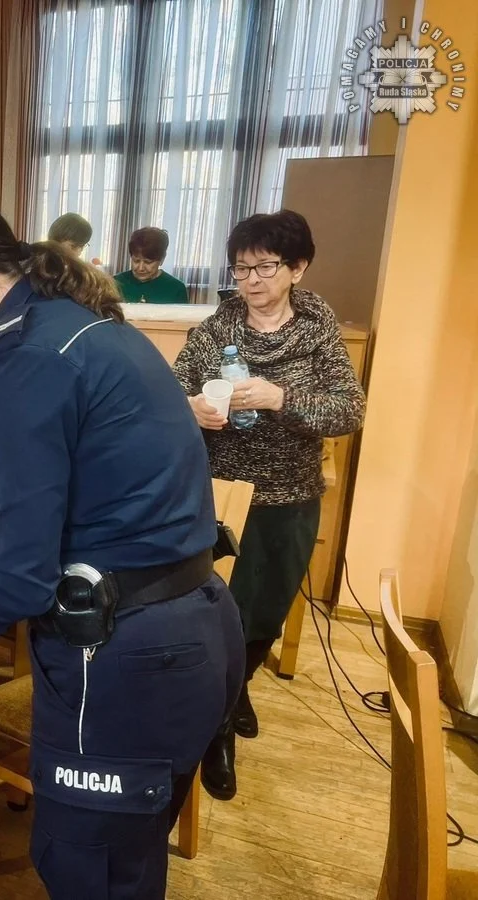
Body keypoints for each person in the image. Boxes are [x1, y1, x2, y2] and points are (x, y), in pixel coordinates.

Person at [0, 189, 244, 899]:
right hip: (190, 628)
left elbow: (22, 581)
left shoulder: (27, 363)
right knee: (126, 863)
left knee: (87, 869)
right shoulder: (80, 327)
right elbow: (96, 509)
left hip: (125, 656)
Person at [172, 209, 365, 800]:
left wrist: (282, 396)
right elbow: (171, 391)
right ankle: (218, 726)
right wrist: (191, 407)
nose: (250, 280)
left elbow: (348, 411)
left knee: (266, 613)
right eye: (241, 268)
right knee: (217, 610)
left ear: (298, 268)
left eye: (264, 266)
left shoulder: (317, 327)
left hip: (288, 493)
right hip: (218, 495)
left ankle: (236, 688)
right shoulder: (215, 328)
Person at [113, 227, 189, 304]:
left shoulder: (176, 288)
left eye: (148, 262)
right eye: (136, 261)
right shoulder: (115, 283)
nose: (141, 268)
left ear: (162, 259)